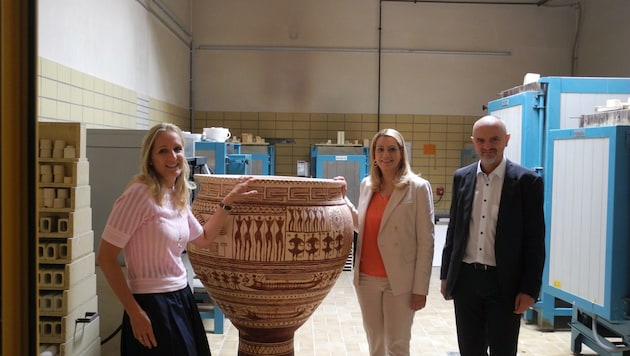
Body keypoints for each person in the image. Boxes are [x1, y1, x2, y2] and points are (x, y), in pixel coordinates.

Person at [96, 123, 257, 355]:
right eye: (163, 151)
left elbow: (203, 238)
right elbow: (106, 257)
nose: (173, 156)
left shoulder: (175, 195)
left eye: (178, 149)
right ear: (150, 158)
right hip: (151, 304)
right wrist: (134, 312)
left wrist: (228, 201)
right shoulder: (138, 195)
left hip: (181, 297)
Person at [440, 115, 545, 356]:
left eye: (494, 140)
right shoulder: (462, 177)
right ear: (473, 142)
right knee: (470, 349)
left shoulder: (527, 182)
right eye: (481, 140)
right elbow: (454, 230)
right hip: (466, 281)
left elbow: (535, 241)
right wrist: (447, 275)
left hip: (504, 283)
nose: (487, 146)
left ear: (506, 140)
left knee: (503, 350)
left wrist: (529, 289)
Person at [338, 128, 435, 356]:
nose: (385, 155)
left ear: (401, 153)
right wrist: (342, 197)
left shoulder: (418, 187)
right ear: (373, 153)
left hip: (400, 280)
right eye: (380, 149)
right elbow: (361, 226)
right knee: (376, 344)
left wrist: (421, 288)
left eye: (392, 149)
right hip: (366, 279)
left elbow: (426, 242)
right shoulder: (367, 185)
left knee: (397, 344)